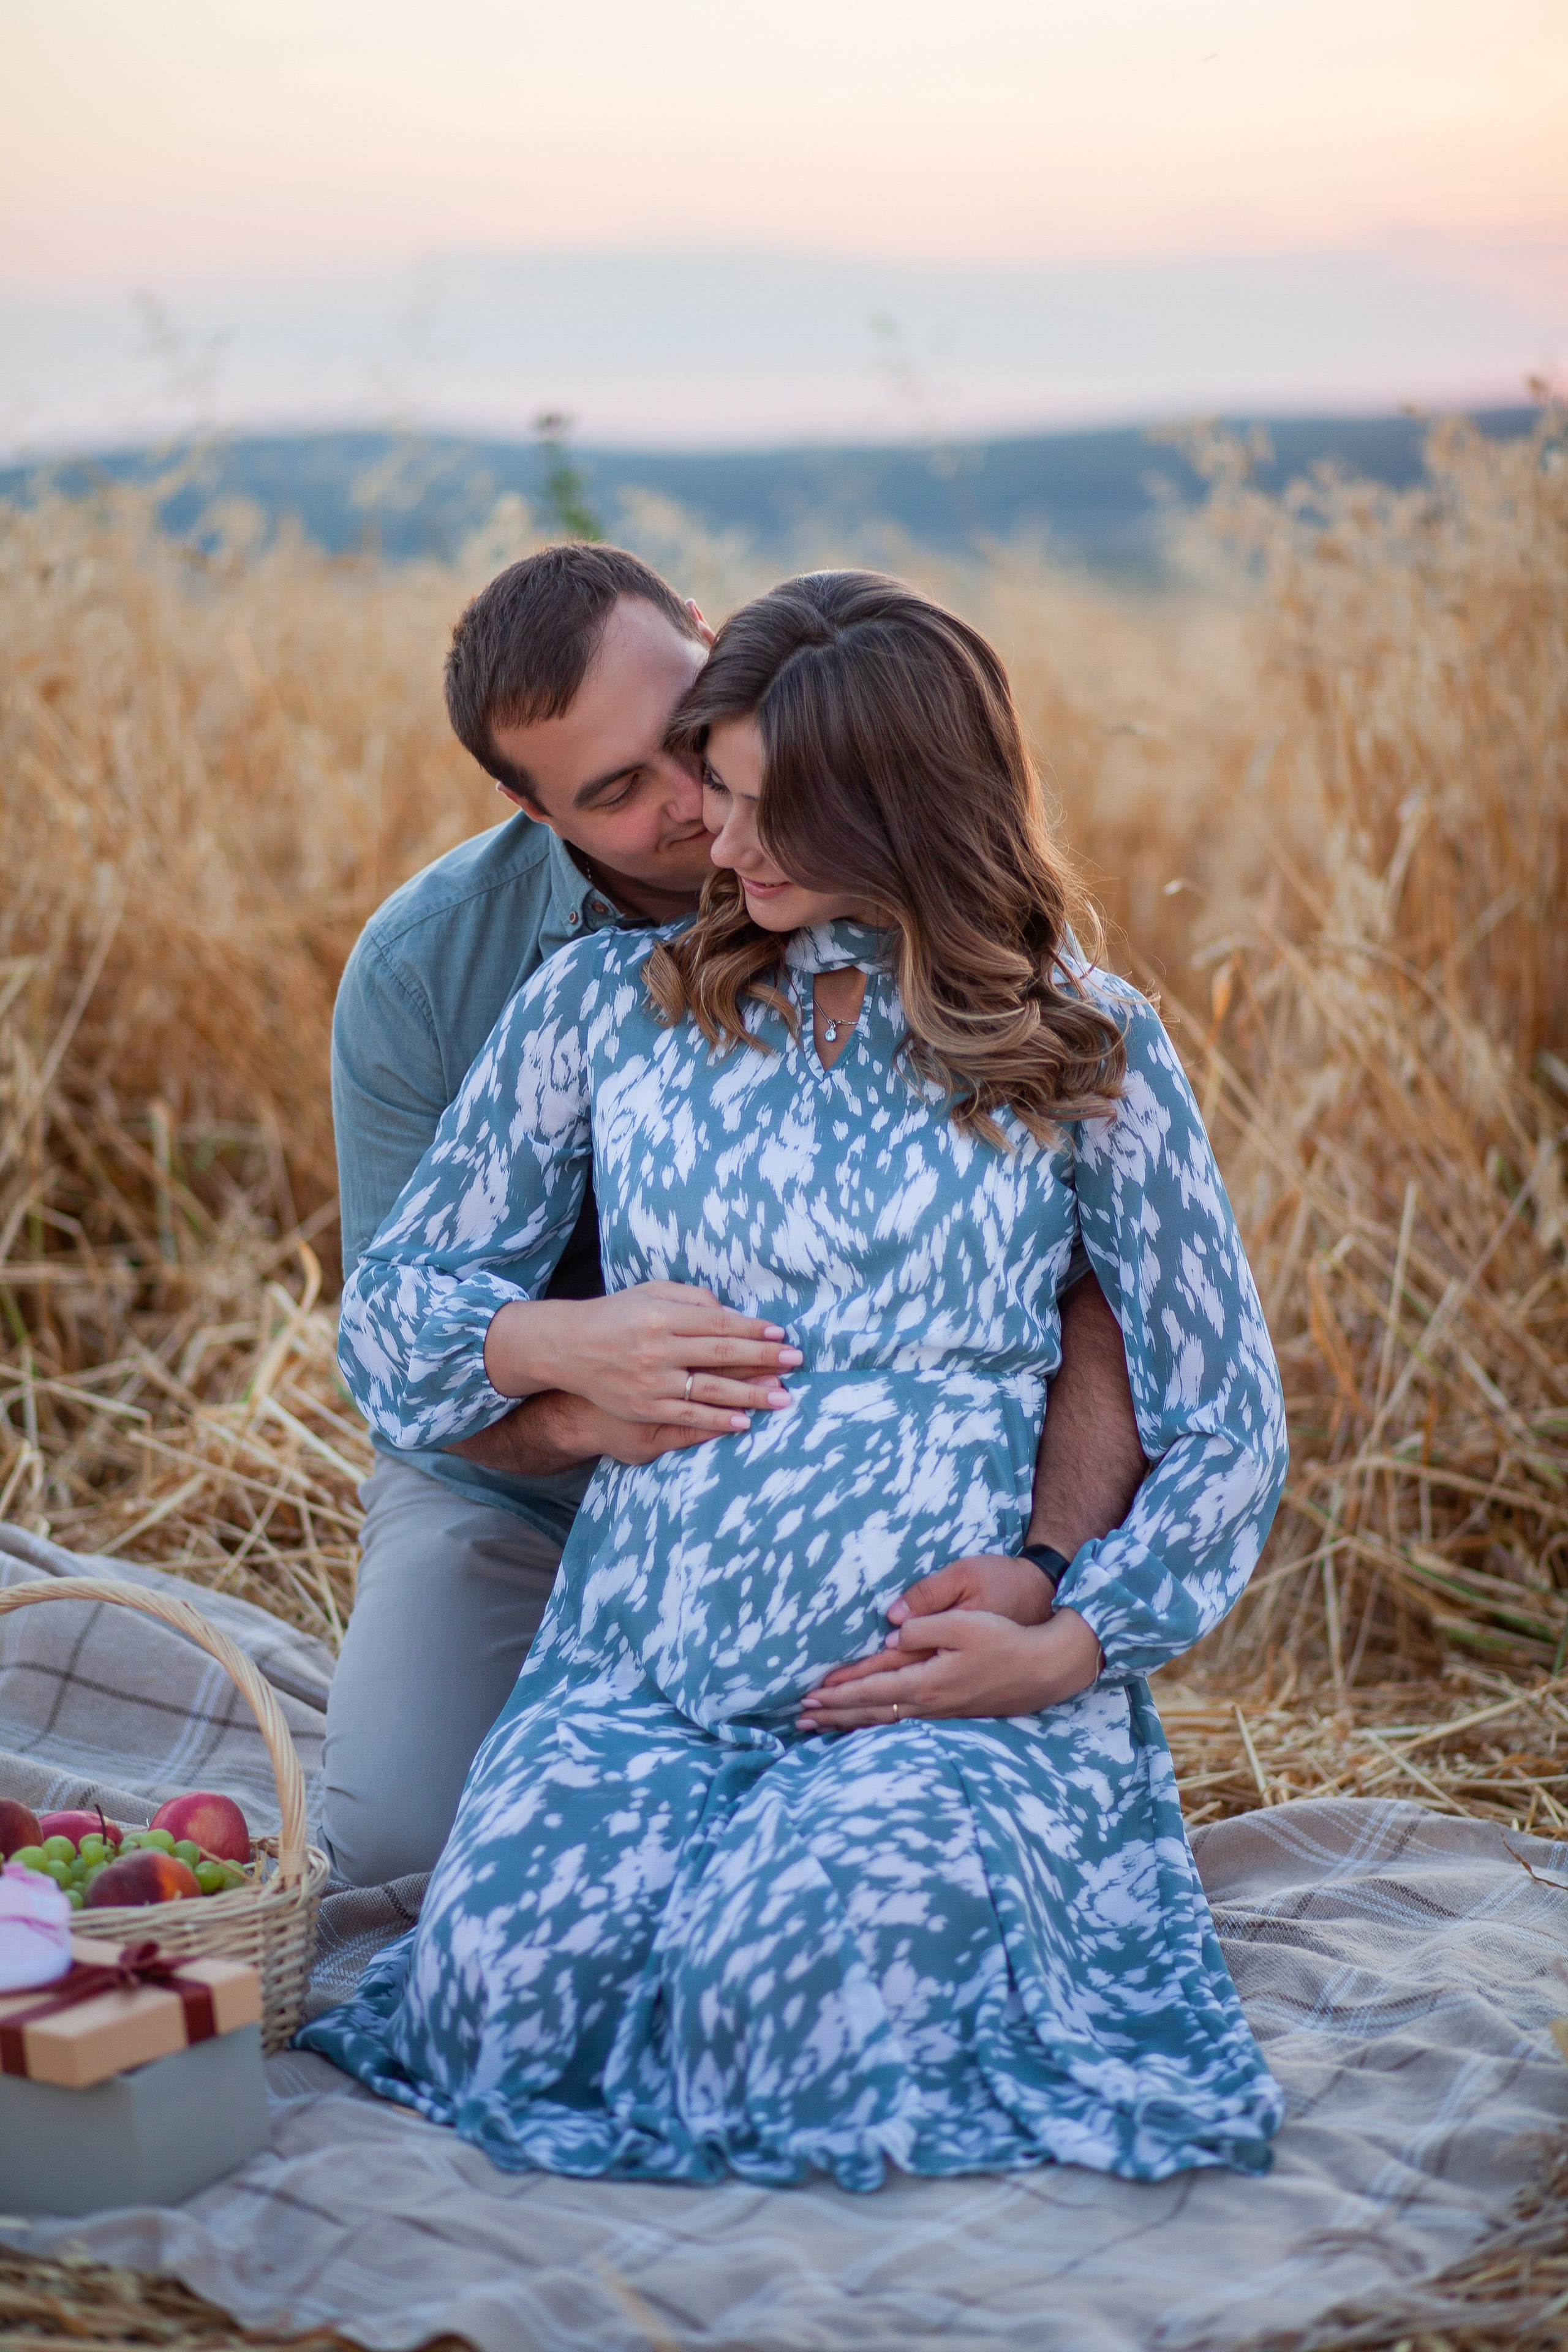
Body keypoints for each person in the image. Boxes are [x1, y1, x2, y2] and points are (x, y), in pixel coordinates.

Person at [300, 570, 1290, 2188]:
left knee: (793, 2000)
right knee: (490, 1997)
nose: (717, 833)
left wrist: (1067, 1634)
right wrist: (548, 1344)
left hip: (917, 1683)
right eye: (682, 792)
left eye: (751, 795)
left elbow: (1220, 1424)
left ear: (883, 797)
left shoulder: (1078, 1039)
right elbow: (394, 1317)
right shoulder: (591, 1006)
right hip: (640, 1656)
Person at [323, 543, 1145, 1885]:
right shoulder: (435, 974)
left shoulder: (915, 871)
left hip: (864, 1510)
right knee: (391, 1858)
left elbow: (1090, 1280)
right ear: (530, 811)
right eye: (613, 794)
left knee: (844, 1875)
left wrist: (1051, 1568)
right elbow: (401, 1346)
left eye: (684, 739)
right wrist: (562, 1372)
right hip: (519, 1489)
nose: (696, 811)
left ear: (713, 647)